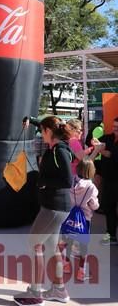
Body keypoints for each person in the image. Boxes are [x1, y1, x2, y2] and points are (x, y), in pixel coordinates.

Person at [14, 116, 73, 306]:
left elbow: (67, 181)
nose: (40, 134)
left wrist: (43, 183)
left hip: (54, 207)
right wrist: (31, 120)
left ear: (49, 131)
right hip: (55, 206)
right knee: (51, 248)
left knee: (34, 244)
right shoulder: (56, 147)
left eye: (42, 131)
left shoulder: (59, 151)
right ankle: (59, 290)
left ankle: (35, 292)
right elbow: (44, 123)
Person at [62, 158, 99, 281]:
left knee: (68, 240)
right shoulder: (91, 187)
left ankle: (66, 265)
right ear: (91, 171)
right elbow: (94, 205)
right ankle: (81, 272)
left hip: (69, 216)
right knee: (84, 245)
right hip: (85, 219)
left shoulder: (71, 180)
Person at [91, 117, 118, 245]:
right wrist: (95, 141)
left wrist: (101, 149)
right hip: (109, 179)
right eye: (114, 126)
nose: (115, 129)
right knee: (108, 208)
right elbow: (93, 141)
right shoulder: (109, 137)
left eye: (117, 128)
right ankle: (111, 235)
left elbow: (111, 155)